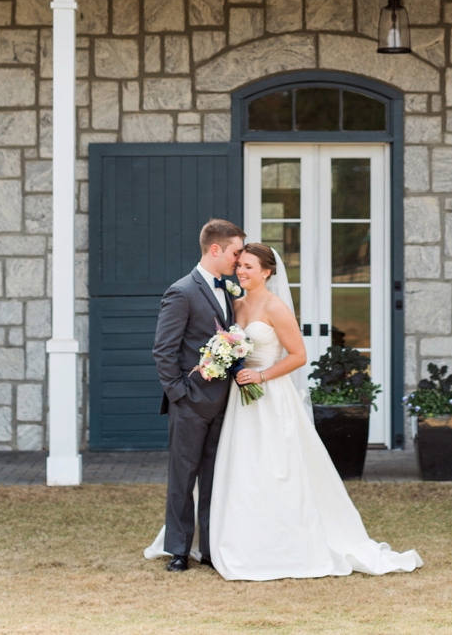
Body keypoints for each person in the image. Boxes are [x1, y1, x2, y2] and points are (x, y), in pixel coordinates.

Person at [148, 241, 423, 581]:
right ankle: (221, 543)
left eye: (249, 266)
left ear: (267, 271)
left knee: (275, 469)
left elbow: (298, 356)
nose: (242, 270)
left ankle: (279, 543)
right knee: (235, 472)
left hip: (270, 397)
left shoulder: (276, 307)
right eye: (240, 264)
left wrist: (261, 374)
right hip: (236, 400)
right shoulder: (234, 304)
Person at [149, 217, 246, 572]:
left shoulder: (228, 290)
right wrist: (180, 395)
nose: (239, 259)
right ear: (215, 249)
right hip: (190, 404)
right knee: (182, 479)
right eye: (236, 252)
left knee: (214, 479)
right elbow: (164, 350)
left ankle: (209, 547)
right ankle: (178, 549)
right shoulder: (182, 291)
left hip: (225, 403)